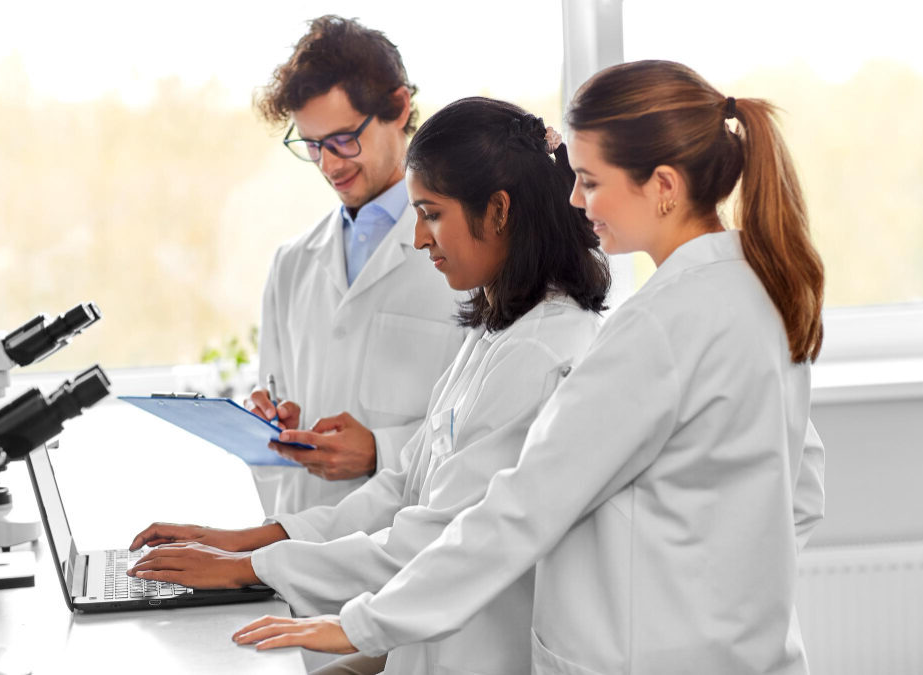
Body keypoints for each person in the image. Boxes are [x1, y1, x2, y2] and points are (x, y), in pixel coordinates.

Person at [229, 60, 828, 675]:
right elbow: (801, 491)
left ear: (664, 185)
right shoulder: (762, 292)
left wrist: (359, 624)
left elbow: (520, 510)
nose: (574, 198)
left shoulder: (655, 327)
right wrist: (713, 599)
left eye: (591, 182)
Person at [128, 98, 611, 674]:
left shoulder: (542, 351)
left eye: (431, 213)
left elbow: (436, 538)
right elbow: (402, 488)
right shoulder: (498, 328)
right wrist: (253, 541)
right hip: (419, 646)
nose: (419, 237)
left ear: (499, 210)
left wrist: (253, 567)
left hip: (475, 651)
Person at [245, 15, 466, 515]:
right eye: (312, 145)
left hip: (409, 556)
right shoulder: (291, 264)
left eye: (344, 139)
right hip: (299, 553)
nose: (329, 164)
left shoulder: (469, 254)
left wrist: (379, 452)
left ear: (398, 107)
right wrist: (271, 423)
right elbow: (278, 402)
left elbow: (489, 427)